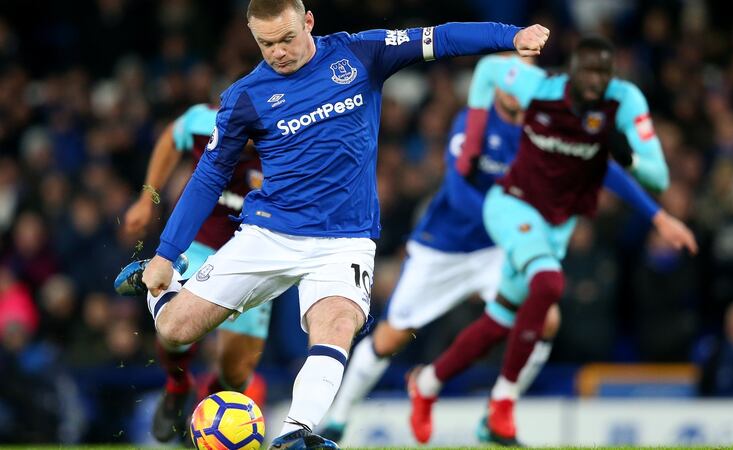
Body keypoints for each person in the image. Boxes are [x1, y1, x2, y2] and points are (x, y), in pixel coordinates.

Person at [136, 0, 551, 447]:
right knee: (174, 328)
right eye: (266, 43)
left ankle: (296, 436)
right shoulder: (245, 96)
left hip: (345, 241)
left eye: (287, 39)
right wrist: (165, 253)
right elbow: (208, 176)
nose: (278, 52)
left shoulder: (360, 54)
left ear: (308, 21)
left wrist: (512, 36)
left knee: (337, 324)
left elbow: (442, 37)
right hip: (270, 234)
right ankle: (157, 288)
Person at [318, 56, 695, 445]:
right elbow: (459, 186)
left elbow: (597, 163)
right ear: (496, 86)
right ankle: (338, 418)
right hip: (446, 245)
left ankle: (499, 413)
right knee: (392, 336)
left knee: (547, 317)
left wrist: (657, 215)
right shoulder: (472, 121)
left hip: (502, 246)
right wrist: (507, 218)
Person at [115, 103, 286, 443]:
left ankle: (204, 415)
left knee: (236, 374)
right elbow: (169, 138)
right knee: (173, 329)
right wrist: (148, 199)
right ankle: (177, 385)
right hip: (198, 245)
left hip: (253, 255)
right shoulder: (205, 122)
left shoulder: (289, 144)